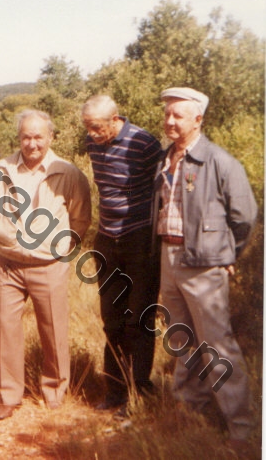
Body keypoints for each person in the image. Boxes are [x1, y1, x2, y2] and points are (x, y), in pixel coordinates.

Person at [155, 87, 257, 448]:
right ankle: (189, 409)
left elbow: (244, 217)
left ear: (198, 118)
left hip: (204, 265)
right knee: (182, 340)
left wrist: (226, 254)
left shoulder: (219, 161)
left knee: (217, 345)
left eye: (177, 115)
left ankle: (243, 428)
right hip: (169, 258)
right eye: (167, 114)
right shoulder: (166, 158)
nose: (169, 121)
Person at [0, 109, 92, 420]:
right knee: (7, 329)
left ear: (50, 137)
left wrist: (63, 247)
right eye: (26, 137)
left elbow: (82, 217)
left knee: (53, 330)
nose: (32, 144)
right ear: (19, 138)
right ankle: (9, 394)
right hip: (7, 263)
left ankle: (55, 391)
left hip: (49, 265)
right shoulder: (1, 169)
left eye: (38, 137)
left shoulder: (68, 172)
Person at [81, 95, 162, 415]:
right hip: (107, 240)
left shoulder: (144, 143)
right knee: (112, 321)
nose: (93, 134)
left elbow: (163, 190)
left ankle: (138, 394)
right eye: (88, 127)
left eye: (97, 127)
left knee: (139, 321)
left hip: (141, 239)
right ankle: (114, 391)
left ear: (115, 119)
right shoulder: (92, 142)